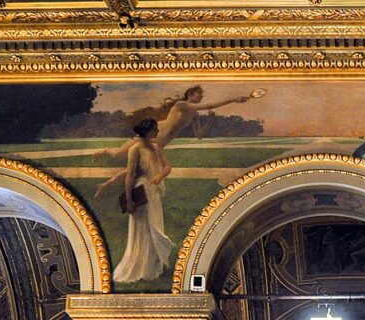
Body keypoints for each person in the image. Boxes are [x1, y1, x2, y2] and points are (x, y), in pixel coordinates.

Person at [95, 86, 260, 198]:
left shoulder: (194, 114)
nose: (201, 96)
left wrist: (210, 121)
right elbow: (210, 104)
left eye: (202, 94)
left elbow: (200, 135)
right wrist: (233, 99)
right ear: (190, 95)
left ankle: (105, 184)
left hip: (160, 143)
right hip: (152, 134)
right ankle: (106, 151)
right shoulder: (182, 105)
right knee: (118, 155)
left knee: (137, 170)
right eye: (198, 94)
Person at [112, 119, 175, 283]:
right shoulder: (135, 149)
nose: (157, 132)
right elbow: (130, 175)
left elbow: (167, 166)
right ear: (146, 131)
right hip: (141, 192)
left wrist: (160, 175)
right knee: (145, 228)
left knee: (155, 225)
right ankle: (141, 267)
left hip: (154, 192)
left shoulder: (156, 148)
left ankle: (153, 267)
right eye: (155, 129)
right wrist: (129, 199)